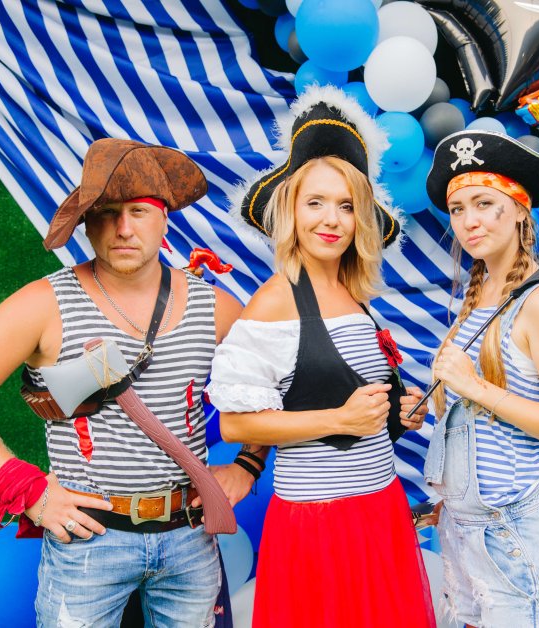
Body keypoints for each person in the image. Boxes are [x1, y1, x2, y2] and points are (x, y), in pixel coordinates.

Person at [0, 138, 266, 627]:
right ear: (85, 222)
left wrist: (248, 465)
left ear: (164, 217)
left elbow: (277, 384)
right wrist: (27, 489)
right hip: (88, 542)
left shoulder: (216, 308)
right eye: (106, 213)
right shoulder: (44, 304)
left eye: (139, 211)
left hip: (189, 536)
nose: (123, 228)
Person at [206, 86, 436, 627]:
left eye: (346, 205)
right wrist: (340, 419)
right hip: (318, 521)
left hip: (380, 506)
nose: (331, 219)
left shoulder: (355, 297)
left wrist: (396, 415)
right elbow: (237, 422)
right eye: (315, 202)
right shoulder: (275, 299)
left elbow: (337, 396)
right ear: (291, 209)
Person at [423, 130, 539, 627]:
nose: (468, 221)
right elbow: (476, 418)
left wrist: (475, 387)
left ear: (519, 209)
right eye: (457, 209)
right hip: (461, 529)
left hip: (511, 534)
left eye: (484, 203)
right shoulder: (475, 299)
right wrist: (429, 404)